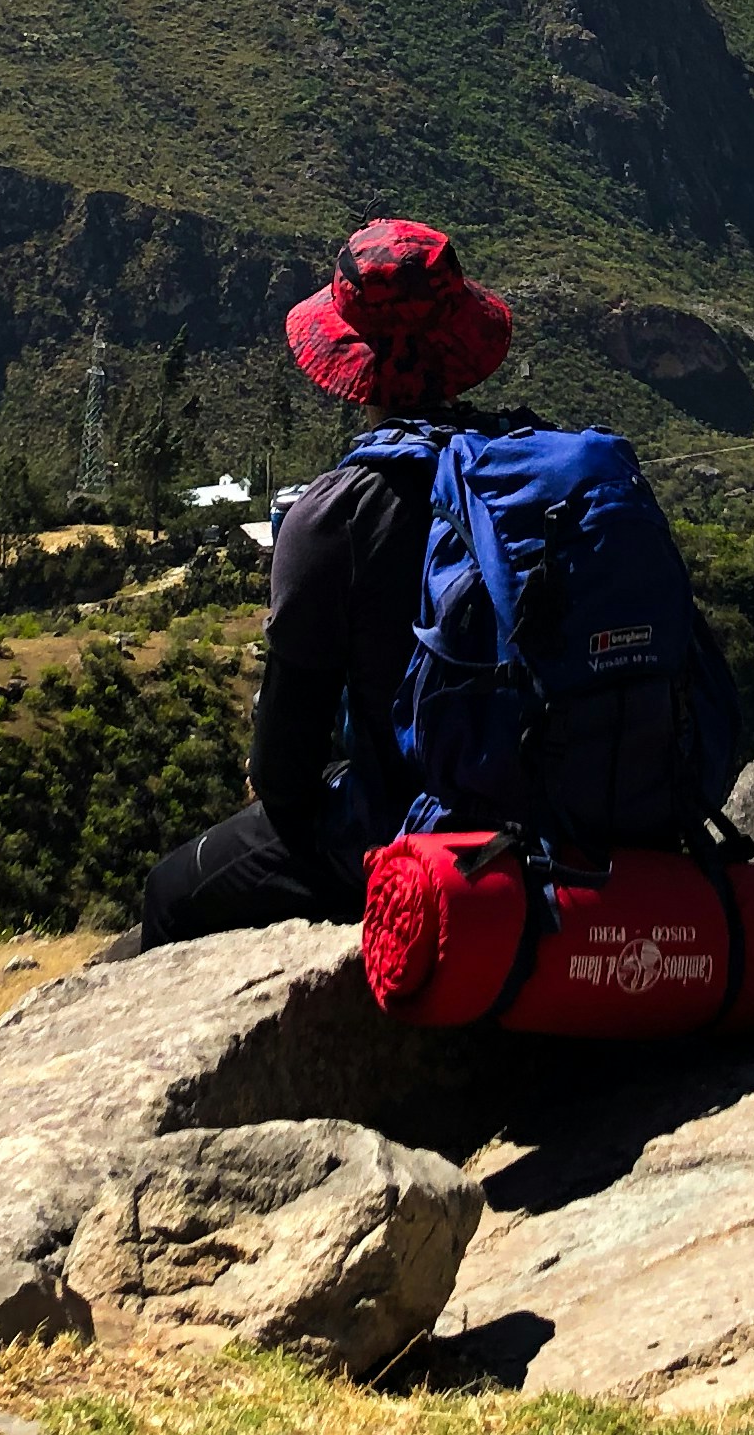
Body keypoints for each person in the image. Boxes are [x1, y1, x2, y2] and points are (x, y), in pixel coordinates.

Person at [136, 218, 515, 950]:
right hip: (553, 807)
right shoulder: (525, 475)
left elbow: (283, 774)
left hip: (413, 832)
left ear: (351, 363)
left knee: (170, 893)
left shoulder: (336, 514)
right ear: (461, 345)